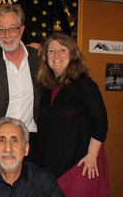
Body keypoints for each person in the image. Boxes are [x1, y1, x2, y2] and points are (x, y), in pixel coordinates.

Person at [36, 32, 110, 196]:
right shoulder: (46, 86)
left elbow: (101, 123)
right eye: (51, 51)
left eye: (62, 50)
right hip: (55, 163)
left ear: (72, 54)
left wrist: (92, 155)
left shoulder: (84, 84)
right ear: (45, 56)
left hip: (82, 164)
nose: (56, 55)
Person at [0, 3, 42, 168]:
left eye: (12, 28)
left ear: (21, 30)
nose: (6, 35)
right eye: (1, 29)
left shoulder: (38, 59)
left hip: (32, 141)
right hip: (0, 143)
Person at [0, 117, 64, 197]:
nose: (8, 148)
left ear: (26, 149)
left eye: (15, 140)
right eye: (1, 140)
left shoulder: (43, 181)